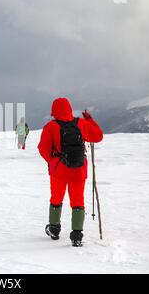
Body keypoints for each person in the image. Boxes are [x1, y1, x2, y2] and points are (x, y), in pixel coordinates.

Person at [37, 98, 103, 247]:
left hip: (58, 171)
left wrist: (53, 161)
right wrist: (90, 119)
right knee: (77, 201)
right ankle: (77, 235)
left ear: (54, 110)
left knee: (56, 198)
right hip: (79, 170)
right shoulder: (80, 123)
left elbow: (43, 149)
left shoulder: (50, 127)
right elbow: (98, 136)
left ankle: (54, 228)